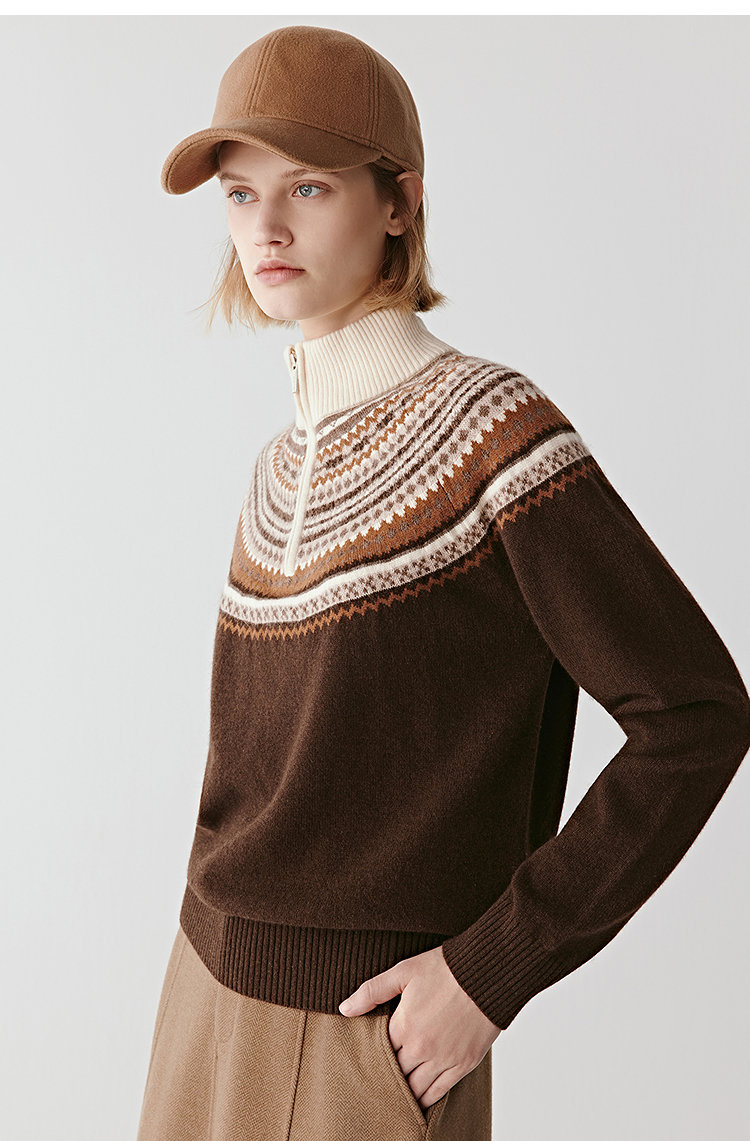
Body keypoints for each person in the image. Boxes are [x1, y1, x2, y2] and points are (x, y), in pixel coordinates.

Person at [136, 24, 750, 1141]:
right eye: (238, 194)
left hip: (359, 1032)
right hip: (202, 993)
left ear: (399, 202)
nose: (264, 228)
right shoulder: (276, 466)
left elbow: (696, 713)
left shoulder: (490, 433)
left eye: (307, 186)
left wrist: (491, 971)